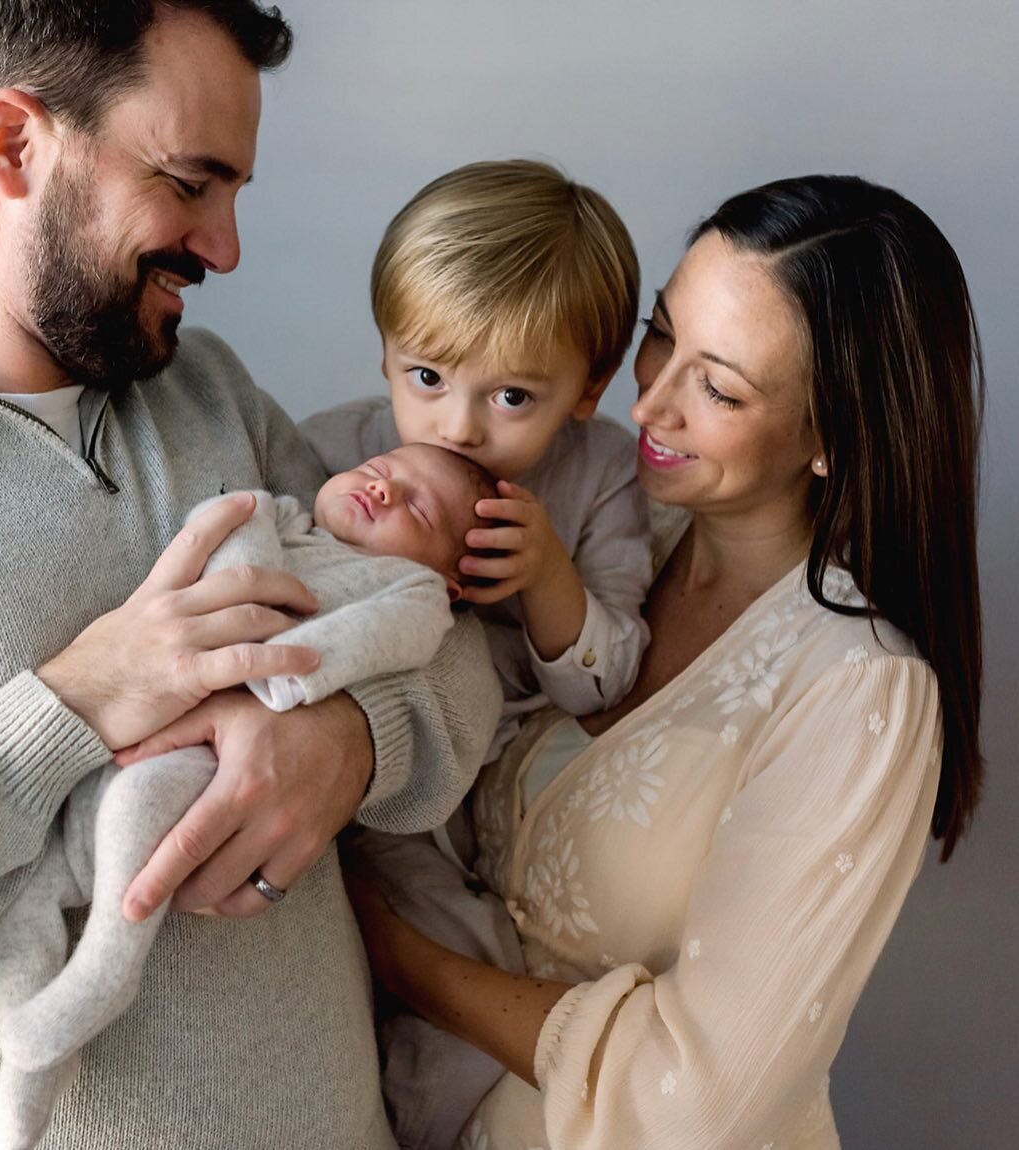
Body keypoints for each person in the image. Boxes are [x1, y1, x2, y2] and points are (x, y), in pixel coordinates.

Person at [0, 3, 501, 1148]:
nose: (225, 248)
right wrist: (70, 705)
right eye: (192, 182)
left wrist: (349, 742)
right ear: (13, 145)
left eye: (237, 195)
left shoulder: (206, 389)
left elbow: (454, 650)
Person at [346, 174, 985, 1149]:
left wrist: (400, 957)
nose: (647, 402)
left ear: (829, 434)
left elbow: (696, 1098)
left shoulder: (857, 685)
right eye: (659, 332)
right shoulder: (583, 516)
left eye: (717, 386)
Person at [0, 442, 498, 1150]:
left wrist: (309, 697)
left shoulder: (410, 590)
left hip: (213, 761)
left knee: (140, 813)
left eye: (415, 505)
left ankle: (108, 967)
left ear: (449, 576)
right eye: (378, 472)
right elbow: (231, 519)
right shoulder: (287, 518)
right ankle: (25, 1060)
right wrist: (239, 578)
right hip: (111, 757)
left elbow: (404, 641)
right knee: (25, 888)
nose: (381, 492)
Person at [300, 158, 654, 1147]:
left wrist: (546, 575)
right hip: (345, 780)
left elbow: (613, 673)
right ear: (383, 356)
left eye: (510, 397)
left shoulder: (600, 477)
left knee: (459, 984)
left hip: (472, 817)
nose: (457, 425)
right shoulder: (339, 453)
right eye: (426, 377)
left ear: (587, 387)